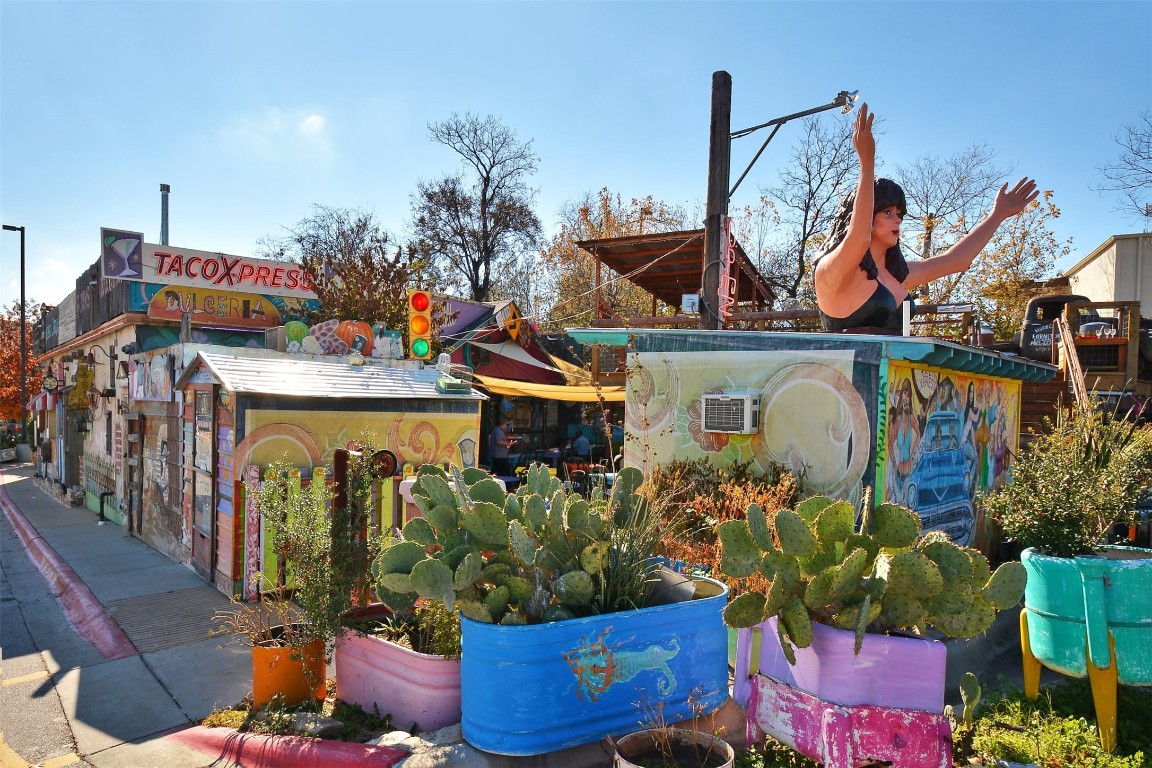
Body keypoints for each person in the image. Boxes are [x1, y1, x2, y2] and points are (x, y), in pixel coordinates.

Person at [813, 103, 1039, 335]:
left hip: (898, 367)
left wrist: (998, 215)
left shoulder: (895, 273)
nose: (898, 220)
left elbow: (956, 261)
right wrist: (867, 164)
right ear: (864, 216)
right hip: (846, 370)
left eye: (899, 214)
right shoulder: (831, 272)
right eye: (887, 213)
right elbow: (859, 238)